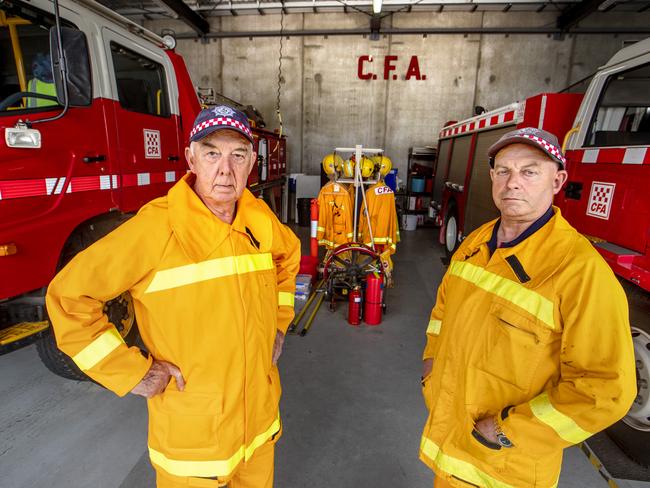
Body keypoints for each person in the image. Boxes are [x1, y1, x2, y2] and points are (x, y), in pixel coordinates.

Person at [46, 105, 300, 488]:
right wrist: (132, 373)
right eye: (212, 153)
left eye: (238, 155)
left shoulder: (259, 220)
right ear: (191, 159)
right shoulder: (155, 229)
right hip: (194, 445)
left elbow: (288, 259)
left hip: (260, 434)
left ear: (252, 163)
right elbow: (69, 297)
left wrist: (278, 327)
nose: (225, 170)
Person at [419, 127, 637, 488]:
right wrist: (431, 366)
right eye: (503, 171)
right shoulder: (476, 243)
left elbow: (606, 388)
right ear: (491, 177)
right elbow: (443, 311)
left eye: (529, 171)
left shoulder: (580, 270)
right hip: (451, 444)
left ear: (558, 180)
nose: (512, 183)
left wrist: (505, 431)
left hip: (507, 468)